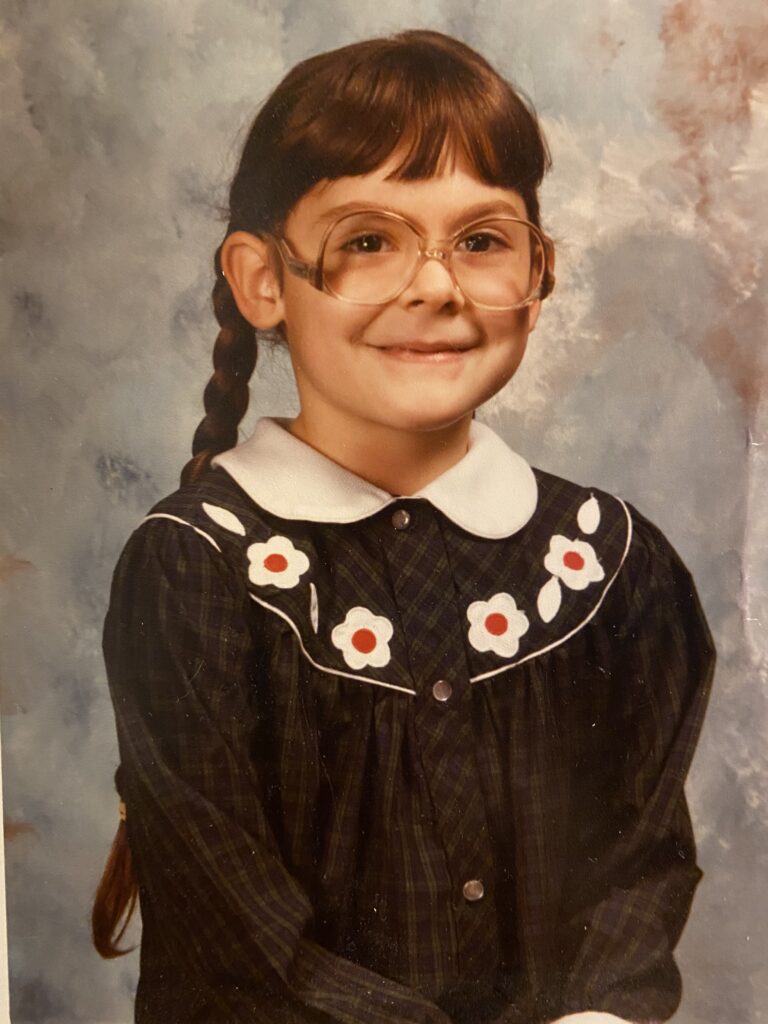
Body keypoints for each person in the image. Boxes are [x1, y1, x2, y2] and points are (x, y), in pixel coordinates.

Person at [91, 29, 715, 1024]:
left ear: (539, 271)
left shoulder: (610, 564)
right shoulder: (198, 569)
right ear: (263, 279)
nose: (436, 286)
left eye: (480, 240)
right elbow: (243, 948)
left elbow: (638, 872)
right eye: (369, 240)